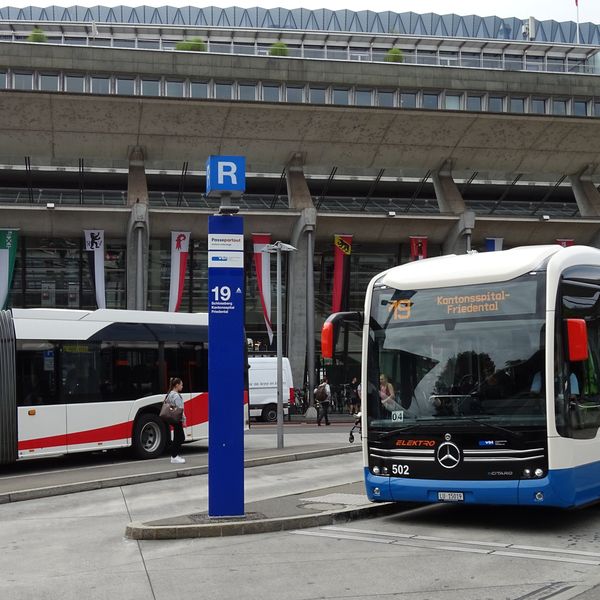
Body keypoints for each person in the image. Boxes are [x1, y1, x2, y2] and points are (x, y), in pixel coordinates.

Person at [165, 377, 186, 464]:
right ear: (177, 385)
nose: (182, 386)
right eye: (181, 385)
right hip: (177, 419)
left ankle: (174, 455)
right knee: (180, 437)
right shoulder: (176, 396)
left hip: (172, 418)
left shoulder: (170, 394)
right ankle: (174, 456)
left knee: (178, 437)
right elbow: (180, 409)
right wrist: (184, 419)